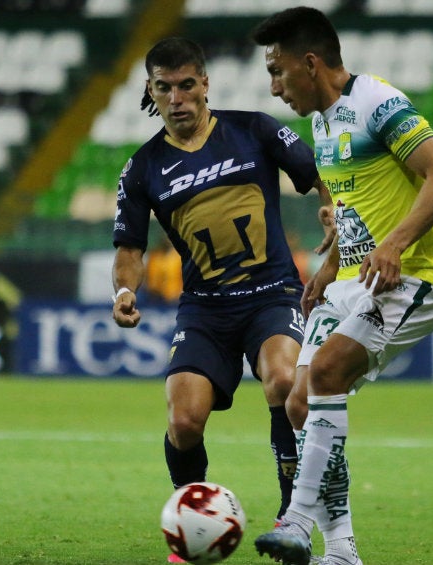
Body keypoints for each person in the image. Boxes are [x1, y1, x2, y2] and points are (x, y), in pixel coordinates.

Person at [250, 7, 433, 565]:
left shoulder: (378, 101)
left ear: (311, 62)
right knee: (299, 403)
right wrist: (328, 269)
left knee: (324, 375)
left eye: (278, 72)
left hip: (413, 275)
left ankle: (296, 522)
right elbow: (353, 205)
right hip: (352, 279)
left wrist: (393, 243)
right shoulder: (322, 122)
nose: (274, 87)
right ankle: (342, 552)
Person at [109, 37, 334, 564]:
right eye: (164, 88)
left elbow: (318, 172)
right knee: (183, 421)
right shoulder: (142, 167)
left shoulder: (254, 128)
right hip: (205, 308)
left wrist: (330, 207)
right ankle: (192, 525)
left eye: (187, 85)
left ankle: (290, 519)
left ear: (205, 84)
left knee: (282, 379)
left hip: (272, 294)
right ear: (151, 90)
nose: (177, 97)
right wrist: (124, 289)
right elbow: (129, 247)